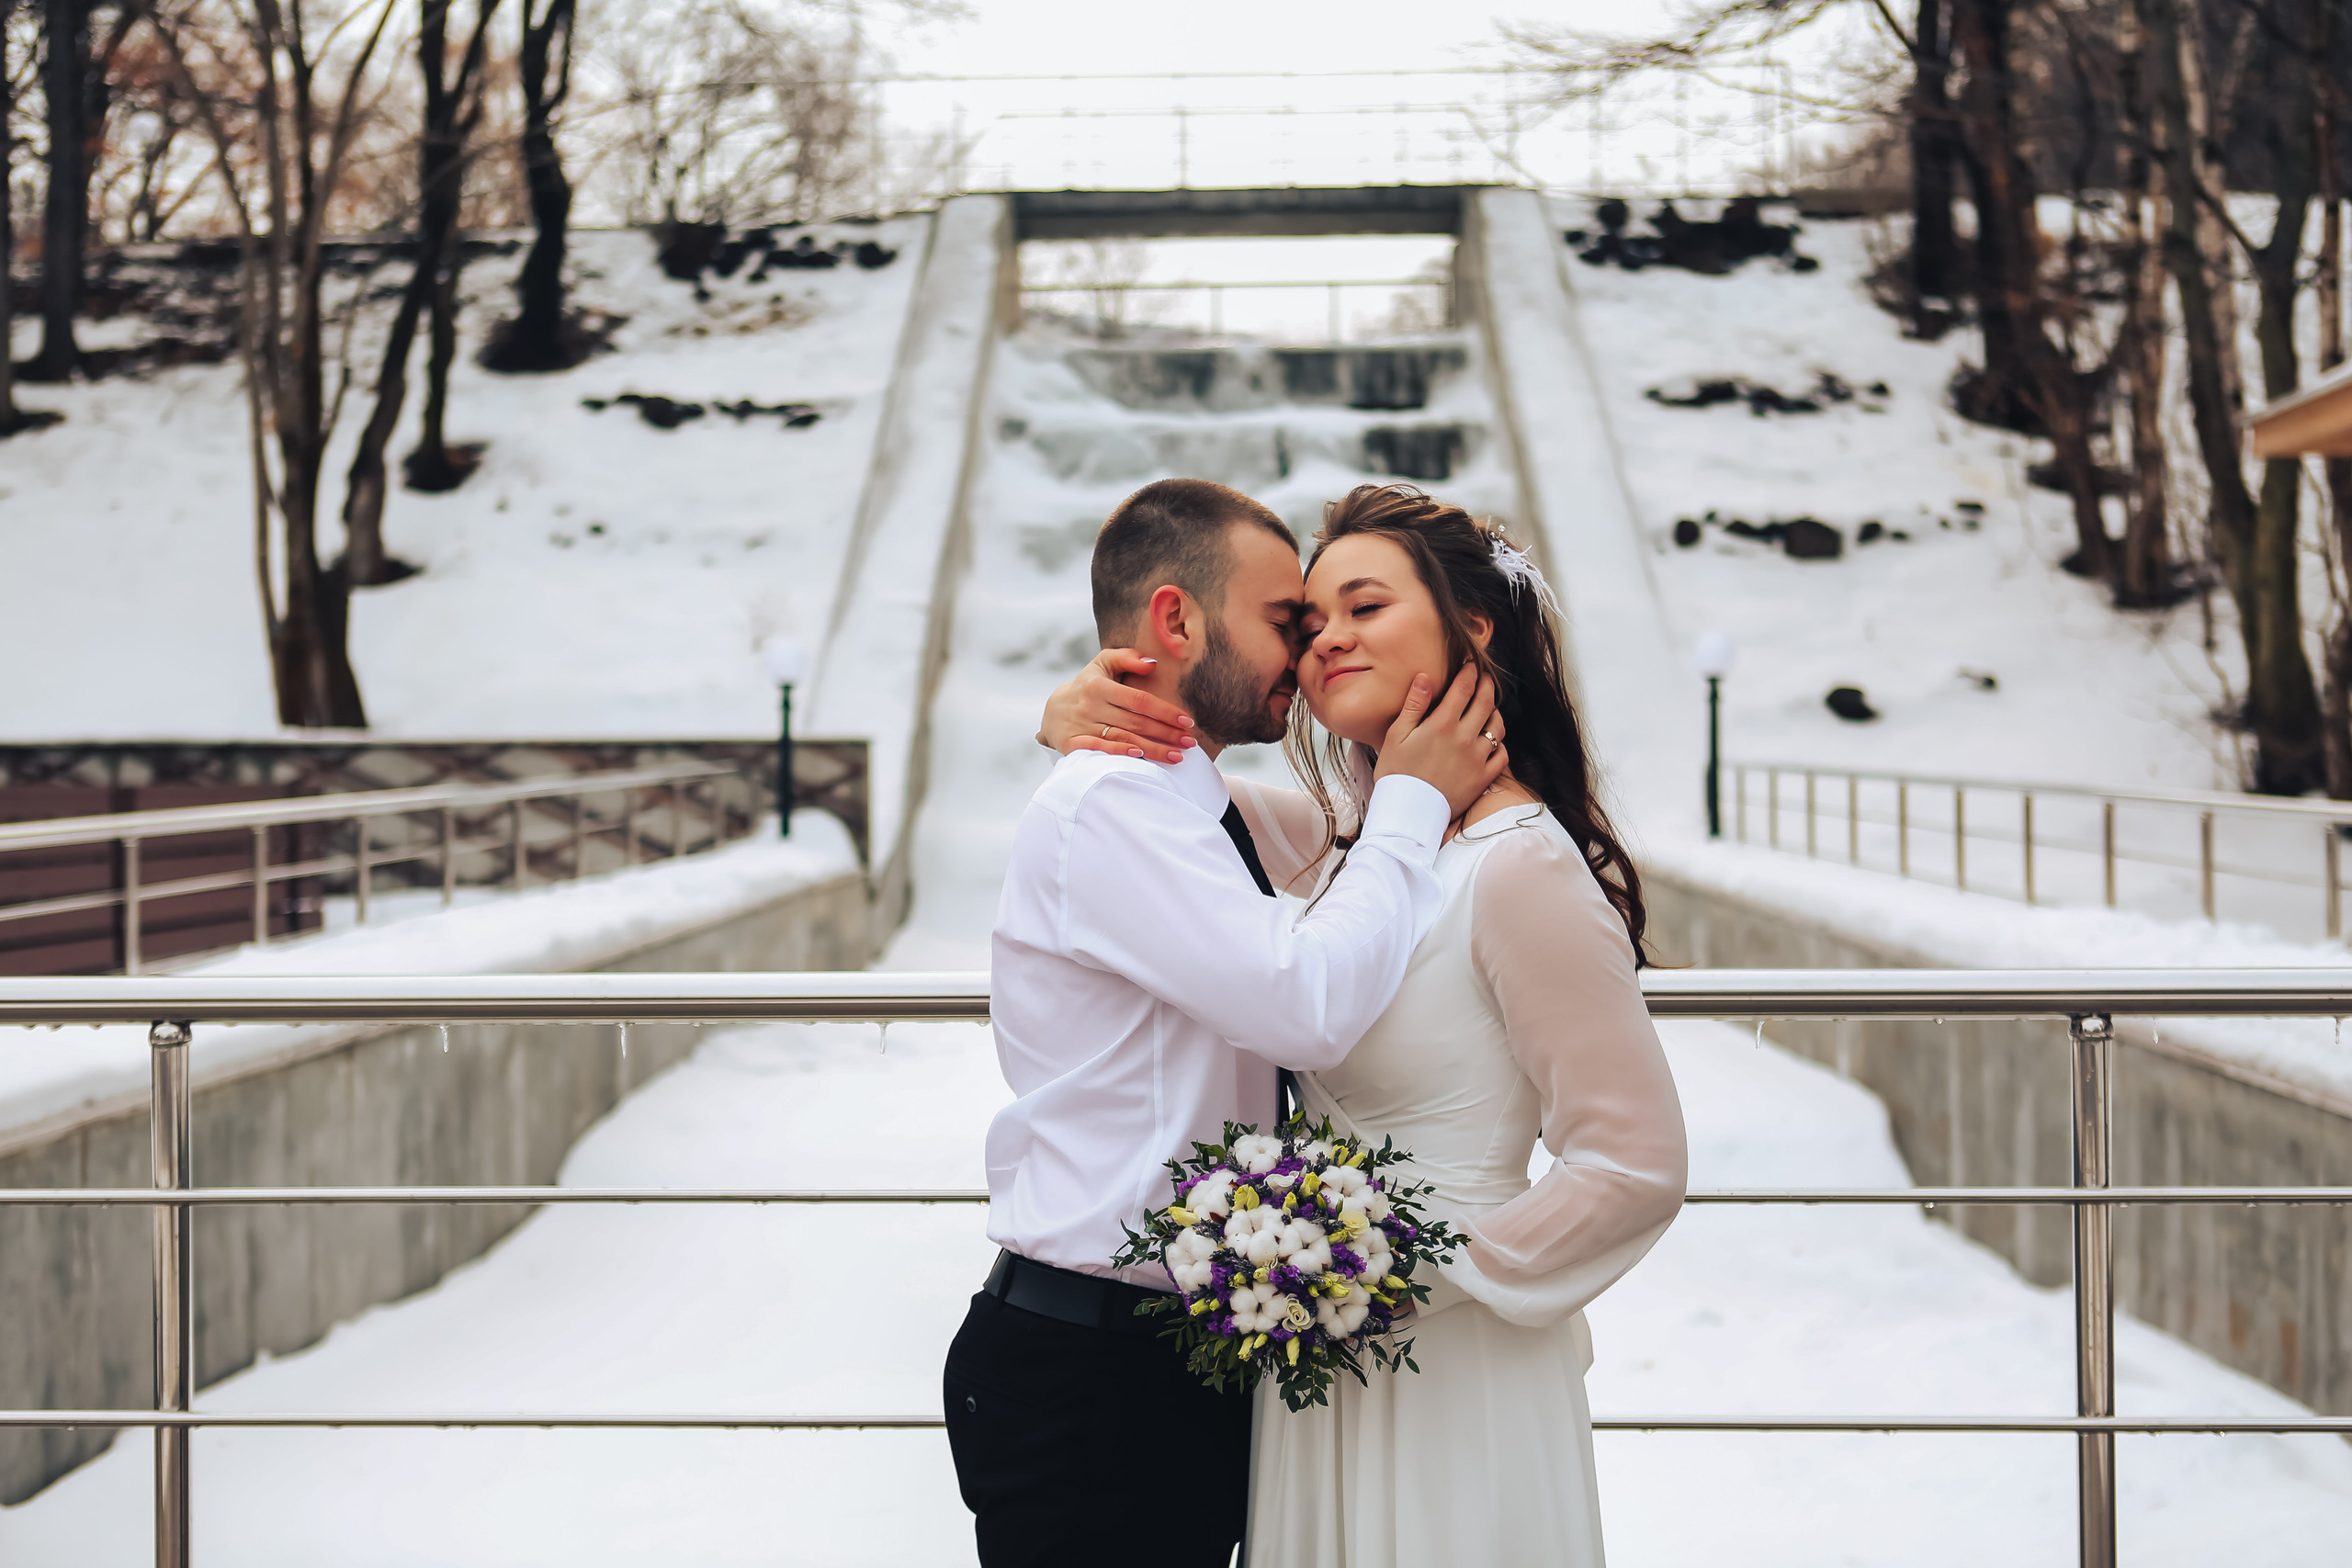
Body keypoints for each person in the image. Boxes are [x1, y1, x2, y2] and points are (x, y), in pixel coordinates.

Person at [1039, 481, 1688, 1566]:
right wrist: (1072, 716)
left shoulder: (1520, 867)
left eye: (1364, 609)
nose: (1325, 641)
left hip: (1450, 1360)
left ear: (1472, 630)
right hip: (1317, 1367)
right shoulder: (1345, 847)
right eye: (1308, 622)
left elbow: (1632, 1163)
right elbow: (1160, 802)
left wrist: (1382, 1276)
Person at [944, 477, 1510, 1568]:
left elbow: (1337, 870)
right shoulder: (1110, 804)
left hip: (1171, 1359)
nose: (1305, 659)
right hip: (1091, 1375)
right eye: (1286, 624)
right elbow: (1306, 1005)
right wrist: (1411, 796)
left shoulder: (1184, 800)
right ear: (1173, 621)